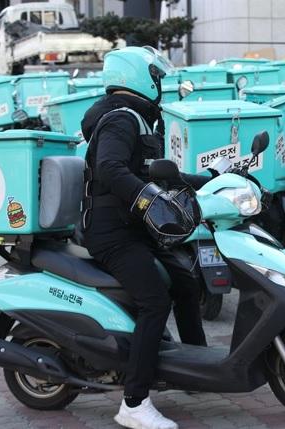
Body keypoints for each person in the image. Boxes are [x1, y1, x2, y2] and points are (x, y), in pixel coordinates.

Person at [80, 46, 208, 429]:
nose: (161, 84)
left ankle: (194, 367)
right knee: (154, 301)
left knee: (186, 282)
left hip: (134, 230)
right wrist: (146, 199)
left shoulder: (138, 119)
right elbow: (109, 169)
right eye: (157, 77)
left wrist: (212, 178)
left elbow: (159, 173)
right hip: (111, 233)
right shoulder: (122, 119)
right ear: (138, 76)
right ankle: (134, 403)